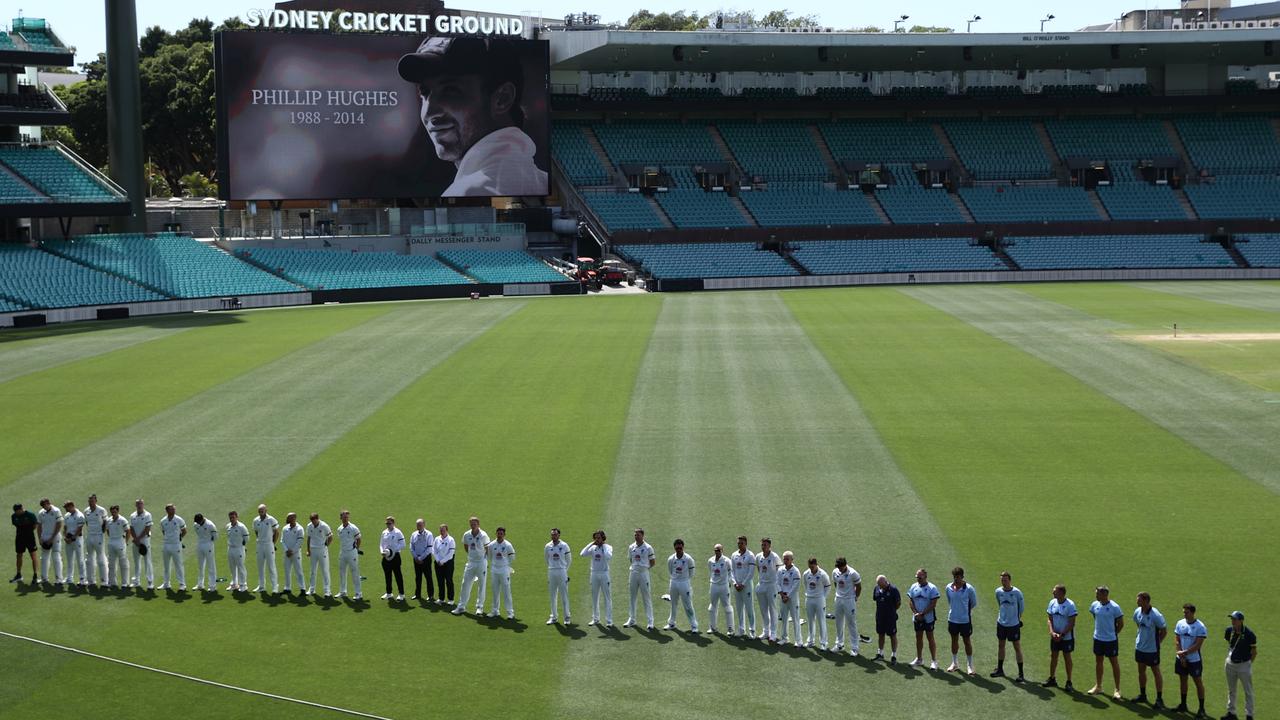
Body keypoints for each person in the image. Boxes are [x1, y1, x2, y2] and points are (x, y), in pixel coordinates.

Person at [396, 37, 548, 197]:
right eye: (424, 93)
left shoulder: (468, 192)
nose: (429, 113)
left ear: (503, 98)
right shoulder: (543, 181)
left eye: (450, 90)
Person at [1131, 591, 1167, 708]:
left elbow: (1163, 631)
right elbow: (1138, 624)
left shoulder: (1155, 615)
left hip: (1152, 650)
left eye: (1139, 600)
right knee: (1141, 671)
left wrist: (1157, 643)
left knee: (1156, 672)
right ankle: (1143, 694)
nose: (1137, 602)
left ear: (1146, 601)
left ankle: (1159, 699)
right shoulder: (1137, 612)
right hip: (1140, 647)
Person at [1089, 585, 1125, 700]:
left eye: (1097, 593)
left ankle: (1117, 689)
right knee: (1098, 662)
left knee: (1114, 663)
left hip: (1110, 640)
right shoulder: (1095, 605)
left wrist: (1114, 634)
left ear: (1104, 594)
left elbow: (1121, 623)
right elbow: (1095, 616)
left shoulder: (1114, 607)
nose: (1096, 595)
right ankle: (1098, 686)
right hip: (1098, 638)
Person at [1173, 603, 1208, 717]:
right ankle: (1183, 705)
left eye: (1186, 612)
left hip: (1194, 660)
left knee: (1198, 682)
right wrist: (1182, 656)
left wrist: (1185, 653)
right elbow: (1177, 640)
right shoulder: (1180, 623)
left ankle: (1201, 709)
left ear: (1193, 613)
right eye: (1184, 612)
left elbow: (1198, 645)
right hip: (1181, 658)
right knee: (1183, 680)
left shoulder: (1200, 627)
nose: (1184, 614)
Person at [992, 571, 1026, 683]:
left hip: (1013, 625)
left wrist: (1016, 619)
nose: (1003, 582)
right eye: (1002, 580)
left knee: (1017, 647)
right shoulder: (998, 591)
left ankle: (1021, 673)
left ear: (1010, 580)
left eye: (1005, 580)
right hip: (1001, 623)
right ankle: (1000, 669)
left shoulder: (1017, 593)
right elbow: (999, 603)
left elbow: (1021, 608)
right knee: (1001, 645)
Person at [1223, 610, 1256, 720]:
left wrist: (1248, 664)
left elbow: (1254, 652)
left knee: (1248, 691)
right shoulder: (1229, 631)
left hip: (1244, 665)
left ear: (1241, 621)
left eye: (1235, 619)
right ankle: (1231, 713)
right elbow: (1230, 644)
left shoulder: (1249, 634)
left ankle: (1249, 715)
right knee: (1231, 689)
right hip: (1230, 664)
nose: (1233, 621)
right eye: (1232, 619)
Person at [1045, 583, 1078, 691]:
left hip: (1066, 637)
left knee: (1067, 657)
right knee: (1053, 656)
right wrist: (1052, 632)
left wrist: (1062, 634)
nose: (1053, 592)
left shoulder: (1070, 605)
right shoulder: (1052, 602)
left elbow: (1072, 622)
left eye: (1055, 591)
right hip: (1055, 636)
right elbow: (1049, 618)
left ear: (1062, 593)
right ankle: (1052, 678)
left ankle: (1069, 681)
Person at [454, 516, 490, 615]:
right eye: (471, 524)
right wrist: (471, 555)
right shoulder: (467, 534)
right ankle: (461, 606)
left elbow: (487, 549)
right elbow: (466, 546)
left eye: (474, 524)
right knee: (465, 583)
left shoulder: (483, 535)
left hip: (481, 562)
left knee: (481, 585)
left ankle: (479, 608)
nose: (472, 525)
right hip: (471, 562)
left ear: (478, 524)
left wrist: (484, 560)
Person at [946, 566, 978, 675]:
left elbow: (973, 603)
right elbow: (950, 601)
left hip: (965, 620)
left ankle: (970, 665)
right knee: (954, 641)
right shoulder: (948, 588)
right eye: (955, 577)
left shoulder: (969, 589)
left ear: (962, 577)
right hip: (953, 619)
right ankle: (954, 663)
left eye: (958, 577)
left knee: (967, 642)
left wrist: (964, 611)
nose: (956, 579)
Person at [908, 568, 941, 669]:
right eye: (917, 577)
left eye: (920, 577)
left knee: (930, 638)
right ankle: (919, 659)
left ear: (925, 577)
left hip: (928, 618)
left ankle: (934, 661)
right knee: (918, 637)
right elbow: (910, 601)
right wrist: (916, 613)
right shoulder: (913, 587)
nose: (918, 579)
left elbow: (933, 604)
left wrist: (922, 613)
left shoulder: (932, 588)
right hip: (917, 618)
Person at [579, 530, 613, 626]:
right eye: (595, 538)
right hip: (594, 574)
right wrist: (591, 543)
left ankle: (609, 620)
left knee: (607, 597)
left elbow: (608, 556)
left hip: (604, 574)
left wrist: (603, 546)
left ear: (603, 538)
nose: (597, 540)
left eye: (599, 538)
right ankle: (595, 618)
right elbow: (582, 554)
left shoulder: (608, 547)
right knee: (594, 597)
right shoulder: (593, 547)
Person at [625, 528, 656, 630]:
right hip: (633, 573)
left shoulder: (648, 548)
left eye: (638, 535)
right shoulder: (631, 547)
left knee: (646, 597)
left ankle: (650, 621)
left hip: (643, 574)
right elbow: (631, 559)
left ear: (643, 535)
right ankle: (632, 619)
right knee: (632, 597)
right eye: (635, 535)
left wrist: (644, 569)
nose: (636, 536)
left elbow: (652, 562)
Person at [664, 538, 697, 632]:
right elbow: (670, 570)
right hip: (673, 583)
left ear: (683, 547)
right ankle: (671, 623)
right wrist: (675, 579)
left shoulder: (688, 559)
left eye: (680, 548)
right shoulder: (671, 559)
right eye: (677, 548)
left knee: (688, 605)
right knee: (673, 604)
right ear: (674, 548)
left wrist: (685, 580)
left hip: (684, 583)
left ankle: (694, 625)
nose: (678, 549)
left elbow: (692, 573)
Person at [832, 557, 862, 656]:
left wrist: (855, 597)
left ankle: (854, 647)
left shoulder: (853, 573)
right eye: (838, 567)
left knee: (851, 623)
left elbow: (859, 586)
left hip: (849, 600)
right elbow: (835, 583)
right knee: (838, 622)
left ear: (845, 565)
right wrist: (839, 593)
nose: (839, 569)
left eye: (841, 567)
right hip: (838, 599)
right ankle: (839, 644)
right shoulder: (835, 572)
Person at [755, 538, 782, 642]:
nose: (763, 547)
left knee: (773, 609)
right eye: (762, 545)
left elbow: (780, 572)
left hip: (772, 586)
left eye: (765, 545)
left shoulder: (775, 557)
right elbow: (759, 569)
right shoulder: (758, 556)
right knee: (763, 610)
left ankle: (773, 633)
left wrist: (777, 586)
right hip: (761, 585)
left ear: (769, 546)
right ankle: (766, 631)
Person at [802, 557, 831, 650]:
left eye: (812, 567)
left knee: (821, 621)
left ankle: (823, 643)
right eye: (810, 567)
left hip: (819, 600)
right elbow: (805, 585)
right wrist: (809, 594)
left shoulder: (823, 574)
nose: (811, 569)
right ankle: (811, 641)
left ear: (816, 564)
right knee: (810, 620)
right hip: (809, 599)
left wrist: (823, 597)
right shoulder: (806, 574)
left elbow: (828, 586)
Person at [487, 526, 515, 619]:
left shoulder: (507, 545)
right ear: (496, 534)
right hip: (494, 570)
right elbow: (490, 556)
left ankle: (510, 612)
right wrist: (495, 564)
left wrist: (506, 565)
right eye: (498, 533)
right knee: (495, 591)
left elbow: (512, 557)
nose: (499, 535)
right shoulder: (491, 545)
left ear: (504, 535)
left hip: (504, 570)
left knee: (506, 591)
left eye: (501, 534)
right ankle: (495, 611)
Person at [730, 535, 756, 637]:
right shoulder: (734, 555)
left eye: (741, 543)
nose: (739, 545)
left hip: (747, 586)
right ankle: (741, 630)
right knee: (739, 608)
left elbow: (751, 573)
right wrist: (735, 583)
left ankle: (752, 631)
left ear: (746, 544)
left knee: (749, 608)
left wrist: (743, 584)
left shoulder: (750, 556)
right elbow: (732, 570)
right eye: (738, 543)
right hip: (736, 586)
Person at [544, 527, 571, 625]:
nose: (553, 536)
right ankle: (554, 617)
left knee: (564, 595)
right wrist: (552, 567)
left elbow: (569, 560)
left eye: (555, 534)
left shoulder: (564, 545)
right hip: (551, 571)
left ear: (559, 535)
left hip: (562, 571)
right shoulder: (548, 546)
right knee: (552, 595)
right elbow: (546, 559)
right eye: (552, 534)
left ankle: (567, 617)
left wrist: (564, 570)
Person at [873, 575, 902, 663]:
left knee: (892, 635)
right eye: (879, 585)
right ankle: (880, 653)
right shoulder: (877, 588)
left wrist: (892, 611)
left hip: (890, 617)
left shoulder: (893, 590)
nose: (880, 587)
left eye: (882, 585)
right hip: (879, 616)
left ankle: (894, 655)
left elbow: (898, 603)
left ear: (886, 582)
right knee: (880, 634)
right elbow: (875, 599)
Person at [776, 551, 803, 646]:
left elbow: (796, 586)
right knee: (784, 618)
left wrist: (788, 596)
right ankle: (784, 638)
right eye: (784, 559)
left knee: (795, 618)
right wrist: (782, 595)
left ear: (792, 560)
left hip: (792, 598)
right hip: (783, 597)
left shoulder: (796, 571)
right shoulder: (780, 570)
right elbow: (777, 582)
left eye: (787, 559)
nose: (785, 561)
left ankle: (798, 641)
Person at [158, 503, 186, 591]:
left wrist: (179, 539)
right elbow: (164, 532)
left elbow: (184, 531)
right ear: (167, 511)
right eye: (172, 509)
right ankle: (166, 583)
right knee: (166, 565)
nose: (174, 510)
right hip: (166, 545)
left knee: (178, 565)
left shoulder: (179, 519)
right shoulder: (163, 521)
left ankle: (182, 584)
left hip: (176, 545)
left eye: (174, 509)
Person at [706, 543, 733, 634]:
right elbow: (711, 571)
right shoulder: (710, 560)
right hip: (713, 585)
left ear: (722, 550)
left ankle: (730, 628)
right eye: (715, 550)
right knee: (712, 607)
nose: (717, 552)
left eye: (719, 550)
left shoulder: (727, 561)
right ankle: (713, 627)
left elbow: (730, 572)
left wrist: (730, 582)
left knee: (727, 607)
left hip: (723, 586)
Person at [252, 504, 280, 594]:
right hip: (260, 545)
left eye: (262, 511)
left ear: (266, 510)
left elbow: (276, 532)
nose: (261, 513)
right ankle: (261, 586)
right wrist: (259, 539)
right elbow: (256, 531)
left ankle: (275, 586)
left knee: (271, 566)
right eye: (259, 511)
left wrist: (273, 543)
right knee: (260, 566)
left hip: (269, 545)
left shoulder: (271, 519)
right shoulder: (256, 520)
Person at [82, 495, 108, 587]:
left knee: (101, 558)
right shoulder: (86, 511)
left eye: (92, 501)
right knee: (89, 559)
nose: (90, 502)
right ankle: (91, 581)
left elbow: (105, 522)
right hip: (89, 536)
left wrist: (101, 532)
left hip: (98, 536)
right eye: (89, 501)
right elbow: (87, 523)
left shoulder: (101, 510)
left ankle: (104, 581)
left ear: (96, 501)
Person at [36, 498, 63, 586]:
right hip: (44, 537)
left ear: (48, 503)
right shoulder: (41, 512)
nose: (44, 507)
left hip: (55, 536)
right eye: (43, 506)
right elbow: (39, 526)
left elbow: (59, 525)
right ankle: (44, 578)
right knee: (44, 558)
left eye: (45, 505)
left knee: (56, 557)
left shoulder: (56, 511)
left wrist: (52, 538)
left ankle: (59, 579)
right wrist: (40, 538)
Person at [336, 510, 362, 600]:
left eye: (347, 517)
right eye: (344, 517)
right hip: (343, 553)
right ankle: (343, 592)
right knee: (342, 572)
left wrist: (356, 549)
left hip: (352, 553)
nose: (345, 519)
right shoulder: (339, 529)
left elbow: (359, 539)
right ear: (341, 518)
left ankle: (358, 593)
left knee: (354, 572)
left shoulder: (353, 528)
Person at [305, 512, 333, 597]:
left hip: (322, 550)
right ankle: (312, 589)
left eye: (314, 521)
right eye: (312, 521)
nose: (313, 523)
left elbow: (330, 537)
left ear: (318, 519)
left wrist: (326, 545)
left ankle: (327, 590)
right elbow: (309, 538)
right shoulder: (309, 526)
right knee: (313, 570)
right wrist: (308, 550)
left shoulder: (324, 526)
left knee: (325, 570)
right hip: (313, 550)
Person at [127, 499, 152, 590]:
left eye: (141, 504)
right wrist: (135, 539)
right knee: (136, 561)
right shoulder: (132, 515)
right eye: (138, 504)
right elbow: (131, 528)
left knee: (147, 561)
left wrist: (138, 539)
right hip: (136, 541)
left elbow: (147, 529)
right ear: (135, 505)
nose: (139, 505)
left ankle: (150, 582)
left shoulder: (147, 515)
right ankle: (136, 581)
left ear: (143, 504)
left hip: (144, 540)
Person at [11, 503, 38, 585]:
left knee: (33, 555)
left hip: (30, 538)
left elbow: (35, 525)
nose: (16, 513)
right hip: (19, 538)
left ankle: (35, 575)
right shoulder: (14, 516)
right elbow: (16, 525)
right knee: (19, 555)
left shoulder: (30, 515)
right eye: (15, 511)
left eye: (17, 511)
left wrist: (28, 532)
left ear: (21, 509)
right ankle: (18, 574)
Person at [380, 516, 406, 601]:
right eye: (387, 523)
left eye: (389, 523)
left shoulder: (398, 532)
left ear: (393, 523)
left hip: (395, 556)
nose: (388, 525)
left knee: (398, 575)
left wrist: (392, 550)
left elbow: (403, 544)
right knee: (387, 575)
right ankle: (389, 593)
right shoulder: (384, 532)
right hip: (386, 557)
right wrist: (382, 552)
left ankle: (401, 594)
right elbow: (381, 544)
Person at [61, 500, 86, 586]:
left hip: (77, 540)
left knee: (80, 559)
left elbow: (79, 529)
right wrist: (65, 537)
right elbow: (65, 527)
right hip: (68, 540)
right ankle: (69, 578)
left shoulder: (80, 516)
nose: (65, 509)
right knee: (69, 559)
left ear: (71, 506)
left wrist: (72, 538)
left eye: (66, 507)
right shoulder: (67, 515)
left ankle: (82, 578)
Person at [104, 505, 129, 589]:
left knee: (123, 564)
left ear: (118, 511)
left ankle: (124, 583)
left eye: (114, 512)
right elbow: (107, 530)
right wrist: (112, 538)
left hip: (120, 542)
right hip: (111, 542)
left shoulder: (123, 520)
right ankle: (112, 582)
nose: (113, 513)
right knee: (111, 564)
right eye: (112, 512)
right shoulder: (109, 520)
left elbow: (128, 531)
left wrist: (126, 542)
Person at [410, 519, 435, 602]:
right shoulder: (414, 534)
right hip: (416, 558)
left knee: (428, 577)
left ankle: (430, 595)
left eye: (420, 525)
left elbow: (429, 548)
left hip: (426, 559)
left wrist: (420, 558)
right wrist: (416, 557)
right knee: (418, 577)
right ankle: (417, 594)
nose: (418, 526)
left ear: (424, 524)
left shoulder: (429, 534)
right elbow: (411, 547)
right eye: (417, 525)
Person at [192, 513, 218, 591]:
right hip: (200, 544)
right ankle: (200, 584)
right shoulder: (195, 525)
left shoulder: (210, 525)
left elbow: (216, 537)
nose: (198, 523)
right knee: (200, 565)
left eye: (199, 522)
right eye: (197, 522)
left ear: (202, 519)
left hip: (208, 545)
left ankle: (212, 586)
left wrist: (209, 542)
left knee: (211, 565)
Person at [225, 510, 250, 592]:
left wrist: (243, 546)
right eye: (230, 518)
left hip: (239, 549)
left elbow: (247, 538)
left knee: (240, 567)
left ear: (237, 517)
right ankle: (234, 584)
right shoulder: (228, 526)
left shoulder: (241, 527)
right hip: (230, 548)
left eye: (233, 517)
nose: (232, 519)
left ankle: (243, 585)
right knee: (232, 567)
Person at [280, 512, 305, 594]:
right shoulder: (285, 528)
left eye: (289, 517)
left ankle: (302, 588)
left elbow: (300, 541)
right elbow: (282, 540)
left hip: (296, 553)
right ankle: (287, 588)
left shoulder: (299, 529)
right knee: (287, 571)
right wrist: (286, 550)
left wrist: (292, 551)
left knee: (298, 571)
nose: (287, 519)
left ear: (294, 518)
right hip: (287, 553)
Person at [434, 523, 455, 605]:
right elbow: (434, 550)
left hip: (448, 563)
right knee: (440, 581)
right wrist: (438, 560)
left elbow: (451, 553)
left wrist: (442, 561)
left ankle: (451, 599)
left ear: (447, 530)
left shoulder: (451, 540)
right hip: (438, 563)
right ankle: (441, 598)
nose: (442, 531)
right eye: (441, 530)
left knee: (449, 581)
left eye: (443, 530)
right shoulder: (436, 539)